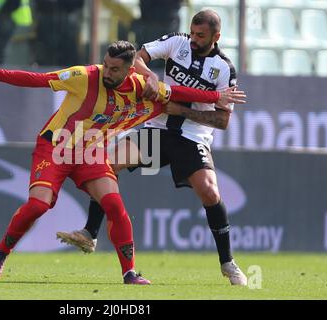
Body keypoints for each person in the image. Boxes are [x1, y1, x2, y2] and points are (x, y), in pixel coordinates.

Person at [0, 40, 245, 285]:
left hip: (90, 153)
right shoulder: (83, 76)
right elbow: (36, 79)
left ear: (129, 70)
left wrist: (216, 97)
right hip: (56, 147)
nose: (107, 72)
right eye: (105, 65)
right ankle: (1, 253)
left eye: (114, 69)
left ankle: (129, 273)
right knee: (39, 204)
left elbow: (179, 93)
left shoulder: (142, 88)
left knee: (114, 203)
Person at [56, 10, 249, 286]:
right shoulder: (177, 42)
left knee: (209, 192)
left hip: (192, 138)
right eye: (192, 33)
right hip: (156, 130)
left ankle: (228, 263)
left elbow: (222, 120)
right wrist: (150, 77)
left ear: (216, 37)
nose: (193, 40)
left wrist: (179, 110)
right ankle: (90, 233)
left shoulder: (224, 68)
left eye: (201, 36)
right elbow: (137, 58)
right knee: (107, 164)